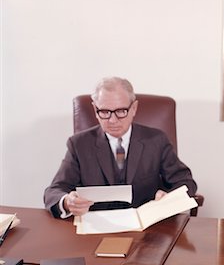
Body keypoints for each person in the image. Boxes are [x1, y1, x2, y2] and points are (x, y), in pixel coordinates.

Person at [44, 76, 197, 219]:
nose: (112, 120)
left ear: (134, 108)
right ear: (95, 109)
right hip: (96, 226)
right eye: (104, 112)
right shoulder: (79, 144)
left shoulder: (156, 140)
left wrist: (169, 198)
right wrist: (67, 202)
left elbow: (185, 182)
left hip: (147, 227)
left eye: (121, 111)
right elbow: (54, 191)